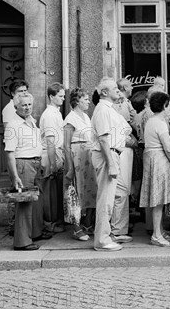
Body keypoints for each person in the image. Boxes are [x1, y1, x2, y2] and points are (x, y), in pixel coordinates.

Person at [91, 78, 132, 251]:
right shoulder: (102, 110)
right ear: (105, 92)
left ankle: (113, 231)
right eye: (114, 88)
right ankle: (101, 239)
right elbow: (103, 139)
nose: (118, 90)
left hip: (115, 153)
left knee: (119, 193)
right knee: (106, 199)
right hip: (108, 156)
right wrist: (111, 164)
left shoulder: (109, 109)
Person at [4, 93, 44, 250]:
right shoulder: (13, 125)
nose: (27, 108)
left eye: (29, 104)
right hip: (23, 164)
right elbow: (9, 153)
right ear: (16, 107)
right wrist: (14, 176)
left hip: (35, 163)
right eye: (24, 105)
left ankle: (34, 233)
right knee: (24, 202)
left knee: (35, 200)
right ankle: (22, 242)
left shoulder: (31, 121)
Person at [140, 91, 170, 247]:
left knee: (156, 197)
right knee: (158, 199)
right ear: (165, 105)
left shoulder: (150, 121)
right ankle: (156, 235)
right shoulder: (161, 123)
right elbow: (167, 147)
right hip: (159, 160)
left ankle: (160, 230)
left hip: (150, 158)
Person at [63, 88, 97, 241]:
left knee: (90, 189)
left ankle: (88, 223)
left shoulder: (85, 116)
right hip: (76, 157)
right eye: (86, 99)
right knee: (76, 192)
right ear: (77, 101)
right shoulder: (70, 119)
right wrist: (70, 167)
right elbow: (66, 145)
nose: (89, 102)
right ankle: (76, 227)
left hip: (88, 156)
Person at [112, 78, 138, 240]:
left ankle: (120, 226)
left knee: (124, 190)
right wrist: (130, 141)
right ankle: (117, 229)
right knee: (120, 191)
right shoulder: (112, 109)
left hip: (125, 151)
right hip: (120, 151)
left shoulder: (125, 103)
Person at [39, 82, 66, 234]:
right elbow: (50, 141)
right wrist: (53, 163)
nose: (63, 99)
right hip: (51, 154)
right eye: (60, 96)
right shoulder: (49, 115)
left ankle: (54, 222)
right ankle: (49, 224)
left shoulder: (55, 112)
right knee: (49, 192)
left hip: (57, 152)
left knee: (55, 191)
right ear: (51, 97)